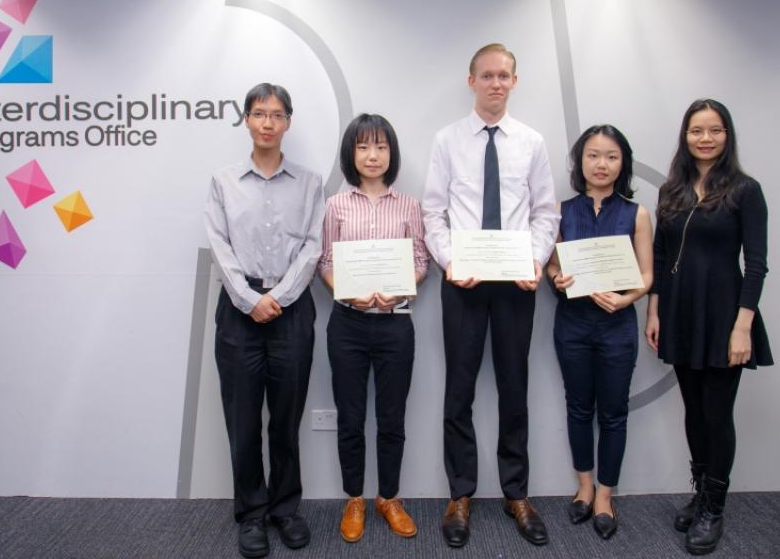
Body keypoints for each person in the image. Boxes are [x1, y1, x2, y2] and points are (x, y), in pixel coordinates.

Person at [422, 43, 560, 548]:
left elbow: (546, 212)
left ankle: (515, 493)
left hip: (515, 287)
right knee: (458, 392)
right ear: (471, 80)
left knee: (514, 389)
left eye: (504, 75)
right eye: (487, 75)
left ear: (515, 82)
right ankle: (460, 494)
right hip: (462, 284)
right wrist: (447, 261)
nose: (496, 83)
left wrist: (535, 259)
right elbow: (433, 213)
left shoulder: (531, 142)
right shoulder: (448, 140)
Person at [645, 99, 772, 555]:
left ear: (727, 135)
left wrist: (743, 328)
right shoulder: (672, 191)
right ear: (685, 136)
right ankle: (699, 493)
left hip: (723, 315)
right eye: (696, 130)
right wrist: (654, 311)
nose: (705, 138)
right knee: (694, 412)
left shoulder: (745, 190)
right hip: (679, 312)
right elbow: (660, 256)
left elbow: (755, 266)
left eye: (714, 130)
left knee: (717, 416)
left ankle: (714, 508)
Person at [204, 83, 324, 559]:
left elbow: (313, 246)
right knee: (243, 419)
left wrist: (279, 296)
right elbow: (219, 244)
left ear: (288, 121)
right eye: (259, 113)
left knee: (286, 418)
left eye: (277, 114)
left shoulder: (311, 183)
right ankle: (251, 515)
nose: (268, 122)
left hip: (292, 311)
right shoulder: (223, 181)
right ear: (247, 121)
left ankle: (285, 509)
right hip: (239, 312)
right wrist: (249, 298)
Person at [318, 113, 429, 544]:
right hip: (346, 323)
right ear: (351, 153)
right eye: (363, 146)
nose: (372, 155)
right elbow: (325, 262)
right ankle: (354, 499)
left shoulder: (409, 206)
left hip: (395, 325)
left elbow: (421, 262)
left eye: (381, 146)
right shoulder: (335, 206)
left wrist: (400, 289)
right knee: (350, 416)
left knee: (392, 417)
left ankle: (389, 497)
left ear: (391, 153)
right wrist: (347, 290)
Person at [545, 125, 653, 540]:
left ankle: (606, 494)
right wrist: (556, 277)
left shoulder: (637, 213)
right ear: (580, 161)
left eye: (611, 156)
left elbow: (646, 276)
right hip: (572, 323)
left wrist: (627, 300)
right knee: (578, 407)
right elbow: (553, 265)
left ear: (622, 162)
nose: (601, 164)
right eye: (593, 155)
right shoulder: (560, 210)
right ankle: (584, 487)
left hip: (616, 326)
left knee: (614, 412)